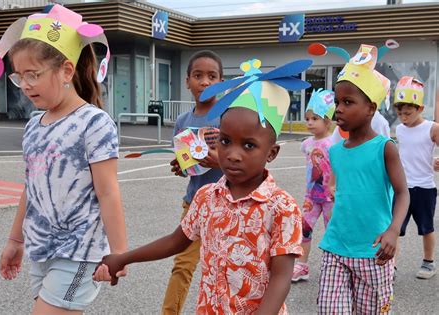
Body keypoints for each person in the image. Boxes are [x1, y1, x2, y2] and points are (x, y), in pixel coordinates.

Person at [94, 61, 313, 313]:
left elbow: (281, 277)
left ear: (271, 153)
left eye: (248, 145)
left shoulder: (282, 207)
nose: (232, 154)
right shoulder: (207, 197)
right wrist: (122, 257)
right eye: (225, 141)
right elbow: (175, 242)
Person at [0, 5, 127, 314]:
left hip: (79, 251)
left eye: (33, 75)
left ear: (66, 70)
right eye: (18, 76)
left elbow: (108, 191)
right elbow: (31, 187)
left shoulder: (95, 123)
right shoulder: (34, 125)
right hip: (41, 249)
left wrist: (119, 253)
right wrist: (15, 240)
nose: (24, 85)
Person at [317, 44, 409, 314]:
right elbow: (343, 186)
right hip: (336, 245)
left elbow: (402, 192)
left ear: (370, 108)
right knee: (331, 310)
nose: (339, 109)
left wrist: (393, 230)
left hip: (374, 251)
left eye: (348, 102)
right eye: (337, 102)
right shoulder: (334, 151)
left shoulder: (385, 147)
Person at [159, 50, 224, 315]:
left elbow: (243, 161)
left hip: (226, 207)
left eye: (212, 76)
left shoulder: (229, 116)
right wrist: (180, 167)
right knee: (183, 266)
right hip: (194, 205)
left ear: (221, 81)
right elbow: (187, 165)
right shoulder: (183, 121)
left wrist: (219, 161)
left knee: (222, 268)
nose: (205, 82)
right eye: (198, 76)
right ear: (187, 81)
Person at [393, 76, 438, 279]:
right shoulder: (400, 130)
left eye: (408, 113)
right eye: (400, 113)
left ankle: (429, 263)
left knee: (426, 228)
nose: (404, 117)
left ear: (420, 108)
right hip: (402, 188)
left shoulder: (432, 128)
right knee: (395, 228)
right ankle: (390, 264)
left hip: (425, 187)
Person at [292, 89, 335, 282]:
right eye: (307, 118)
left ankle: (334, 267)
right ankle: (302, 266)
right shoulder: (307, 143)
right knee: (304, 229)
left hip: (330, 198)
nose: (309, 122)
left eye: (315, 118)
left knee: (332, 232)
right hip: (311, 197)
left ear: (327, 120)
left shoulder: (334, 143)